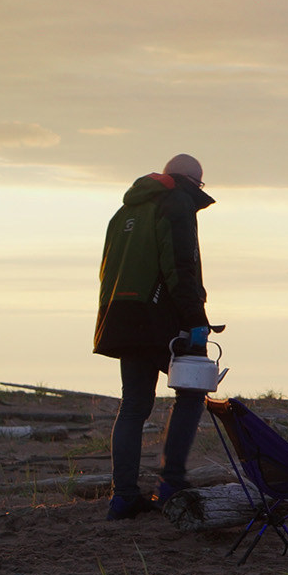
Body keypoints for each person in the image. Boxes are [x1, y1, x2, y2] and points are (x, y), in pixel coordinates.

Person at [94, 154, 215, 520]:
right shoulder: (176, 202)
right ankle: (171, 484)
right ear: (193, 181)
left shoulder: (123, 213)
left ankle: (123, 496)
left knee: (133, 405)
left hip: (122, 317)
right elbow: (180, 265)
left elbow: (106, 269)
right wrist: (196, 318)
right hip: (162, 317)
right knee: (193, 391)